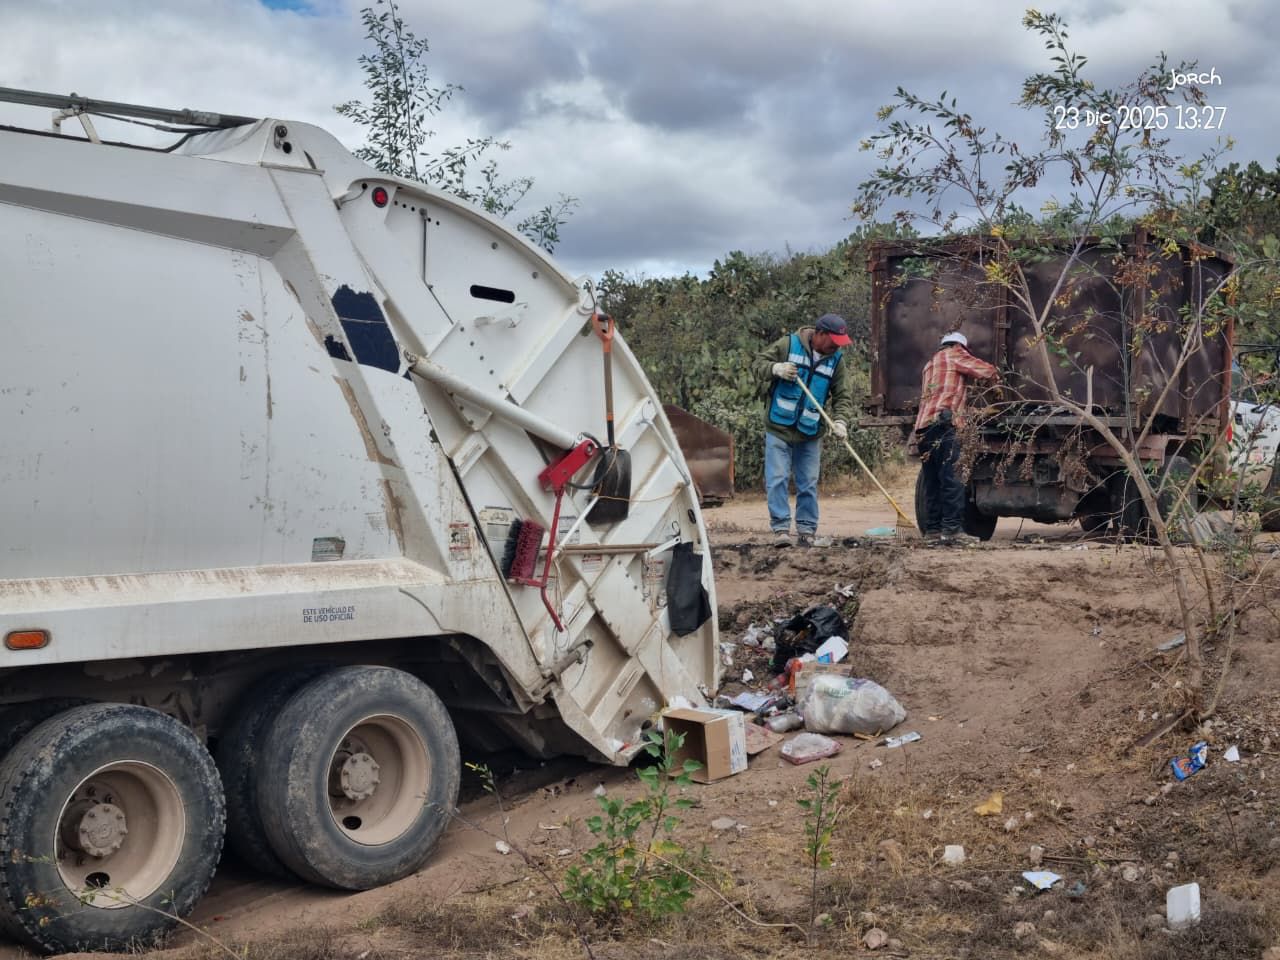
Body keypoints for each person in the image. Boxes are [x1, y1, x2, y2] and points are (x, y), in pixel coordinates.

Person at [754, 313, 855, 547]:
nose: (835, 348)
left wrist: (840, 421)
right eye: (833, 342)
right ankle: (780, 529)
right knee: (777, 478)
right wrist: (775, 368)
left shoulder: (836, 361)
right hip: (779, 426)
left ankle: (807, 530)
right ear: (819, 334)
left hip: (811, 431)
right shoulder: (787, 345)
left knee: (808, 481)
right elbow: (757, 365)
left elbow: (843, 396)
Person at [914, 331, 999, 544]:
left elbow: (946, 392)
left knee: (932, 481)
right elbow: (987, 371)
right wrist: (997, 386)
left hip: (924, 427)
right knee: (952, 479)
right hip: (944, 426)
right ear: (959, 347)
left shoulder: (930, 363)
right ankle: (952, 530)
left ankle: (933, 531)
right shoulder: (954, 354)